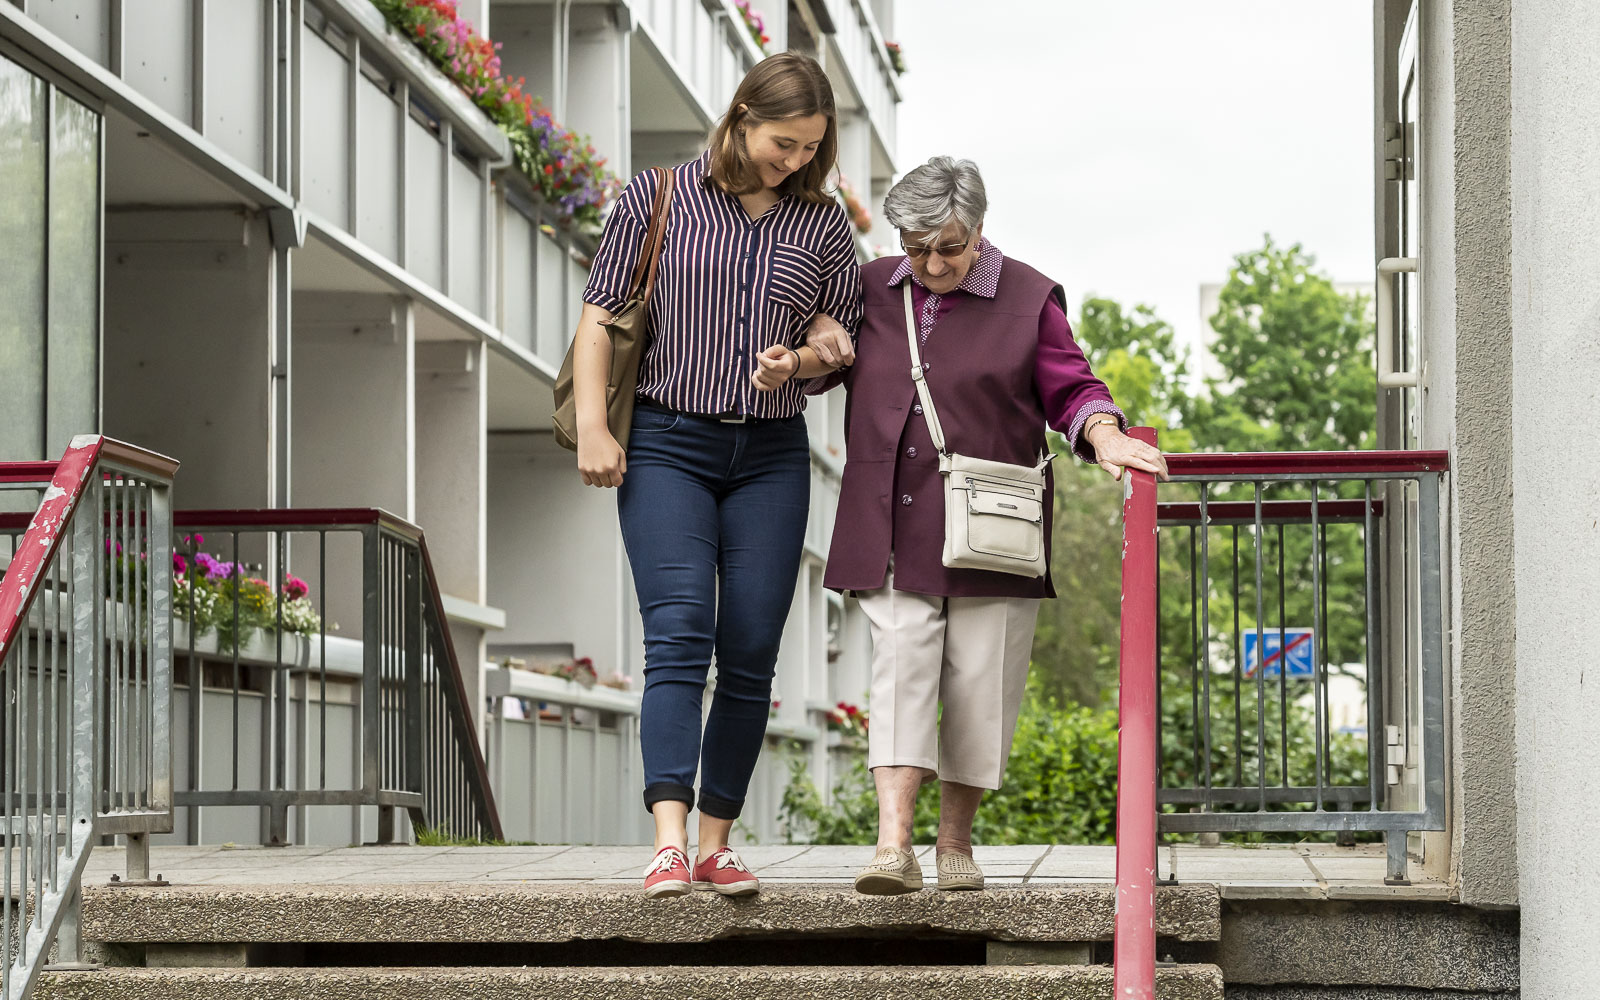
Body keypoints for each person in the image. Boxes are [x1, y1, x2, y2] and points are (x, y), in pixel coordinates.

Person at [797, 156, 1168, 893]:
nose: (932, 262)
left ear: (980, 230)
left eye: (950, 246)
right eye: (916, 245)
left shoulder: (1029, 297)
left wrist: (1103, 435)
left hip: (991, 524)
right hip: (892, 519)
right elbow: (821, 365)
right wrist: (802, 341)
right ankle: (892, 847)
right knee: (899, 664)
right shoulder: (871, 287)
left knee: (979, 681)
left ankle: (956, 844)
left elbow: (1073, 386)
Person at [570, 52, 861, 899]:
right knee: (682, 630)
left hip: (771, 453)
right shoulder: (657, 197)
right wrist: (595, 428)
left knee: (751, 651)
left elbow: (841, 346)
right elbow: (600, 322)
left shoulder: (823, 226)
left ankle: (716, 842)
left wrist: (801, 358)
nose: (797, 160)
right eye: (784, 141)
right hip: (666, 442)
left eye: (811, 147)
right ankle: (667, 840)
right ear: (741, 117)